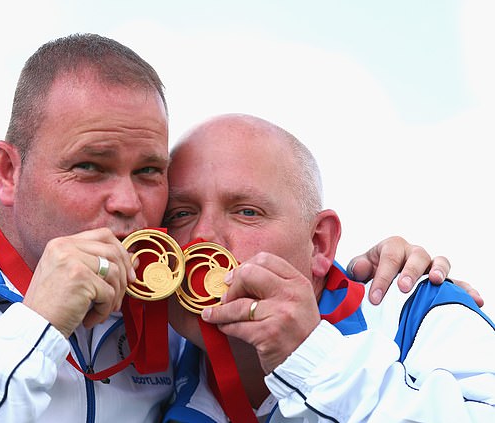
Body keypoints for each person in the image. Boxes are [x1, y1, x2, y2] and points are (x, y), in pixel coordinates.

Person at [0, 34, 464, 423]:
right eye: (90, 167)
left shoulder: (177, 315)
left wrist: (379, 275)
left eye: (150, 173)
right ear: (8, 172)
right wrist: (33, 330)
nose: (127, 203)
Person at [161, 113, 495, 422]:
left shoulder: (419, 313)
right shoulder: (141, 358)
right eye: (179, 214)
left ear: (319, 243)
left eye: (247, 212)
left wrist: (312, 359)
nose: (201, 236)